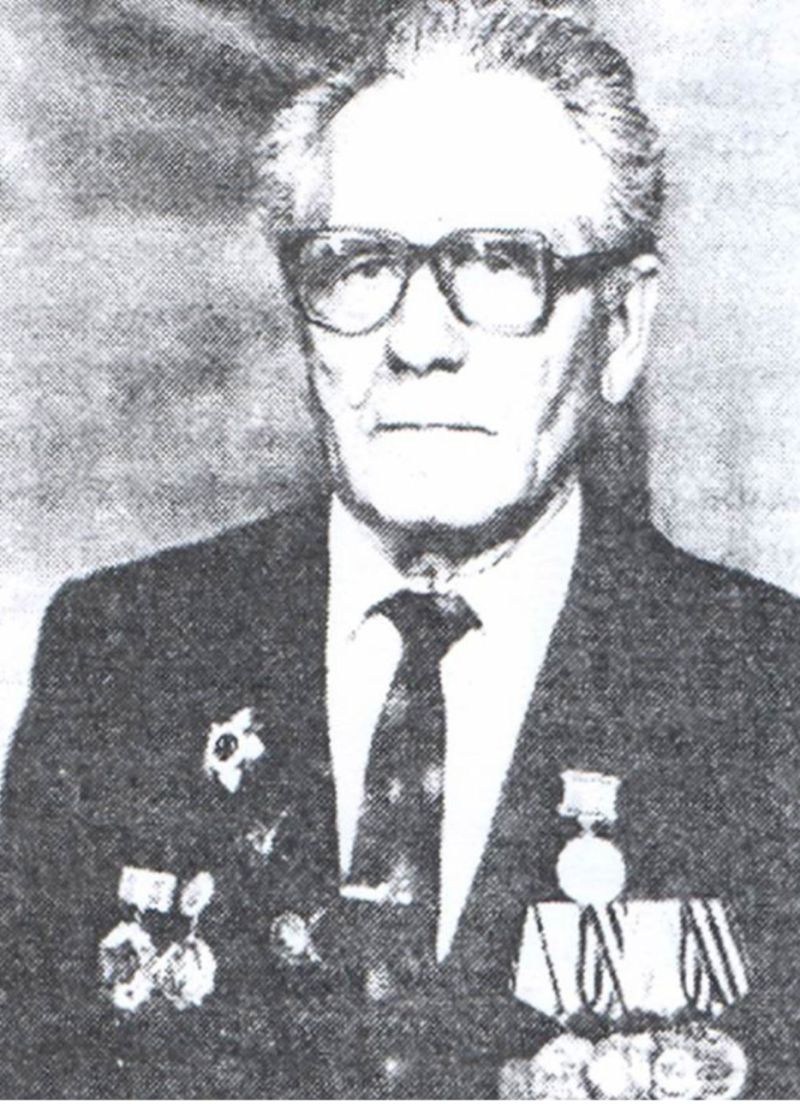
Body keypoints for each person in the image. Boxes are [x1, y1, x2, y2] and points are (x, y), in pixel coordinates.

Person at [2, 0, 800, 1097]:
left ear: (620, 330)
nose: (418, 341)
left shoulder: (767, 692)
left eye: (501, 263)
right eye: (358, 266)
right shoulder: (126, 655)